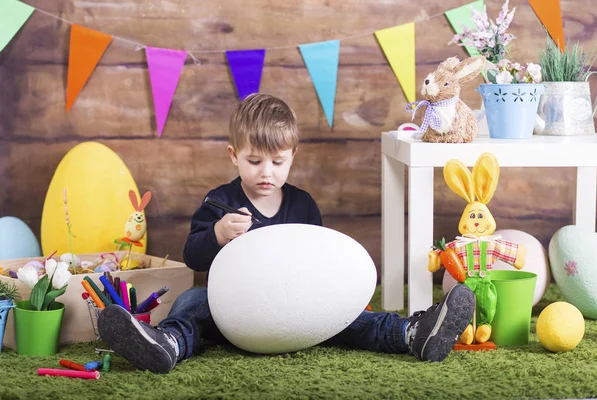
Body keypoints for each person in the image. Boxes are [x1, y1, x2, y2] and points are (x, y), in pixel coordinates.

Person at [98, 94, 475, 374]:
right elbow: (194, 257)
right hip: (238, 314)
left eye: (278, 162)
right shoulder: (220, 203)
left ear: (292, 155)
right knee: (194, 301)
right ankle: (168, 343)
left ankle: (413, 333)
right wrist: (216, 234)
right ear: (233, 155)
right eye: (254, 161)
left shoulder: (302, 205)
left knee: (351, 317)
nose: (267, 172)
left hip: (298, 311)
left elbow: (320, 262)